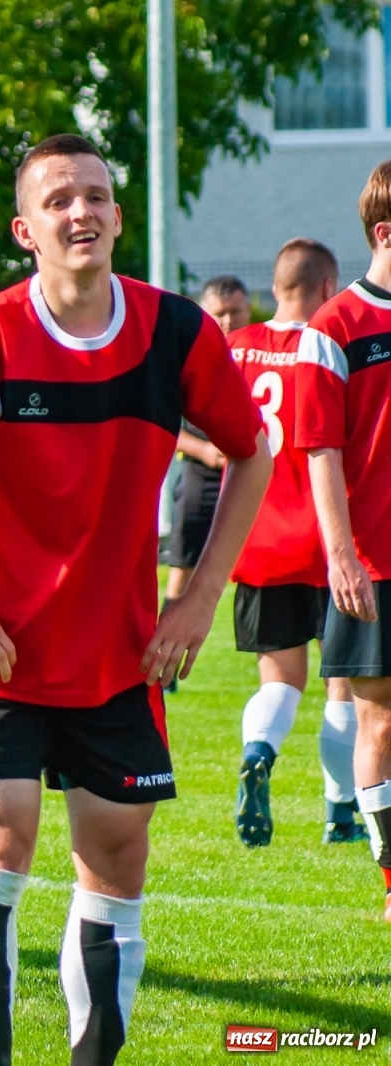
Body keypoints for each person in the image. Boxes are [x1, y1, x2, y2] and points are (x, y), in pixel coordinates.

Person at [0, 134, 270, 1066]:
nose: (81, 212)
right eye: (58, 200)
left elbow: (252, 451)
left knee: (115, 857)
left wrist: (200, 599)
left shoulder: (176, 335)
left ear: (119, 217)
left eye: (96, 196)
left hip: (122, 656)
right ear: (25, 230)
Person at [225, 239, 365, 847]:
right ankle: (340, 814)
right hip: (329, 540)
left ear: (275, 287)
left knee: (279, 680)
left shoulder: (234, 349)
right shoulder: (328, 346)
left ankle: (259, 749)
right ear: (328, 285)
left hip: (257, 541)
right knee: (346, 685)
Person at [296, 159, 391, 922]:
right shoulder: (334, 331)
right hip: (376, 563)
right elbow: (319, 450)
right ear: (383, 234)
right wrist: (342, 555)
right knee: (379, 719)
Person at [163, 277, 251, 614]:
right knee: (181, 567)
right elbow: (164, 425)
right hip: (202, 470)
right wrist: (203, 452)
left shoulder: (259, 352)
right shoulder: (185, 355)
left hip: (251, 472)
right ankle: (161, 660)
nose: (228, 321)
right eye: (219, 314)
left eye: (235, 312)